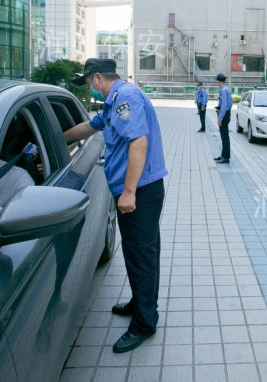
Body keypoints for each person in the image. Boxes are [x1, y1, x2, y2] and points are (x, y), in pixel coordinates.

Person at [64, 58, 168, 354]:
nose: (89, 88)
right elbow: (89, 126)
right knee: (143, 251)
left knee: (140, 254)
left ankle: (144, 323)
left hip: (140, 191)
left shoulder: (125, 98)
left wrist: (129, 192)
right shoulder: (112, 104)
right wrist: (61, 138)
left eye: (88, 82)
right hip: (139, 189)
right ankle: (141, 302)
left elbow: (139, 143)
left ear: (98, 78)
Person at [214, 73, 232, 164]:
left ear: (218, 81)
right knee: (224, 137)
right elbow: (230, 103)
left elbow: (224, 105)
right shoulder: (226, 89)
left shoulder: (224, 90)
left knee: (224, 137)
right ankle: (223, 155)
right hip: (226, 114)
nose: (216, 82)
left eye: (216, 80)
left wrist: (220, 118)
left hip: (224, 115)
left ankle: (226, 157)